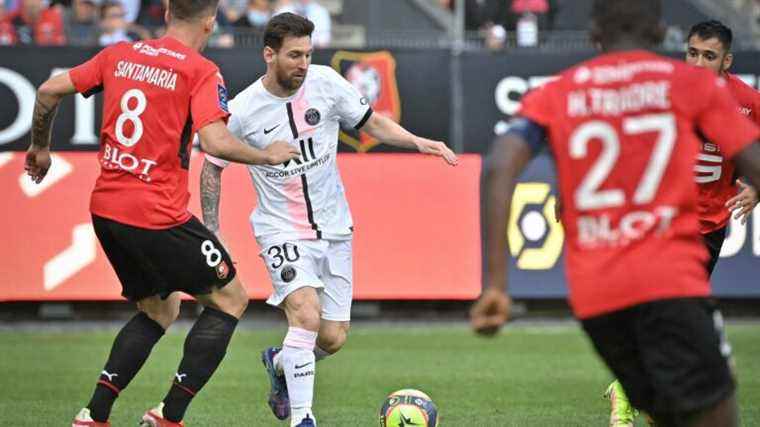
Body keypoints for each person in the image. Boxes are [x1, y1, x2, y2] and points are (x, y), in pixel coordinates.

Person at [470, 1, 760, 426]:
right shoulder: (694, 87)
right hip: (670, 276)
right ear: (663, 34)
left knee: (663, 410)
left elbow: (499, 165)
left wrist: (495, 284)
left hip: (596, 295)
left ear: (592, 36)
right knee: (714, 409)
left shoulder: (558, 91)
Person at [23, 0, 299, 425]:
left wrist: (40, 148)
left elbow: (47, 91)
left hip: (107, 210)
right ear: (210, 22)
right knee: (231, 299)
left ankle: (94, 415)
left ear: (168, 13)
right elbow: (216, 142)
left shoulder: (119, 54)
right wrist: (267, 155)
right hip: (157, 214)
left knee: (159, 310)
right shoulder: (200, 71)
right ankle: (169, 415)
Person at [199, 13, 457, 427]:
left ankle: (282, 362)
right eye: (294, 55)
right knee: (305, 313)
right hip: (279, 228)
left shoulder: (326, 83)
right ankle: (303, 419)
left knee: (332, 338)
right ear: (269, 54)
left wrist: (416, 141)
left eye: (308, 53)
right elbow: (212, 165)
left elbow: (371, 123)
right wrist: (213, 229)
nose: (303, 63)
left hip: (334, 227)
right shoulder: (243, 110)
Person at [602, 19, 760, 427]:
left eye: (709, 56)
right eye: (692, 52)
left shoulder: (746, 101)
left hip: (708, 228)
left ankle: (638, 390)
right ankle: (634, 393)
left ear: (726, 60)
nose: (698, 61)